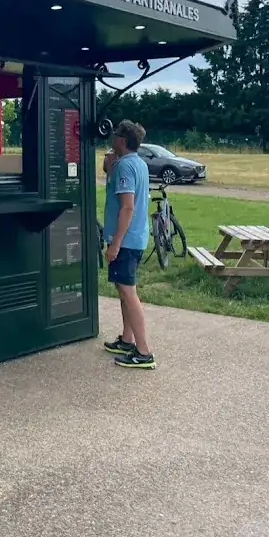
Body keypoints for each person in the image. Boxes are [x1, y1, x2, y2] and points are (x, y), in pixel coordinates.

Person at [102, 120, 155, 369]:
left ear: (122, 141)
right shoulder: (139, 164)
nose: (111, 140)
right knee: (124, 291)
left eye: (114, 137)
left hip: (126, 239)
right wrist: (109, 170)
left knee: (127, 292)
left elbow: (127, 206)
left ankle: (143, 352)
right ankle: (127, 339)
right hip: (137, 237)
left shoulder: (124, 167)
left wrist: (115, 244)